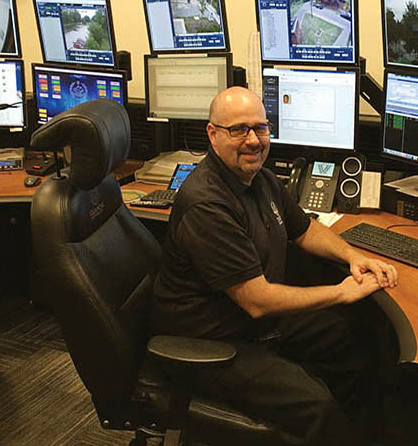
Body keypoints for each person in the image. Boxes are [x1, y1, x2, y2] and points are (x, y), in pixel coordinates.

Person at [151, 87, 398, 445]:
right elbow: (258, 300)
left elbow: (304, 229)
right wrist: (340, 292)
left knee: (355, 344)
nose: (253, 140)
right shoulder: (207, 204)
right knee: (317, 405)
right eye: (239, 130)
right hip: (211, 342)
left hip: (249, 323)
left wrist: (353, 257)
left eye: (260, 128)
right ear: (213, 134)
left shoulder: (259, 177)